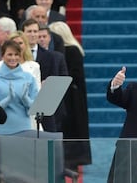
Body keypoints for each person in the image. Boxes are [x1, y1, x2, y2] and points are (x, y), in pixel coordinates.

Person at [49, 21, 92, 168]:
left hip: (71, 97)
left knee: (71, 128)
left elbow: (73, 75)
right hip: (67, 94)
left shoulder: (71, 50)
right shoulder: (70, 50)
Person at [0, 40, 38, 135]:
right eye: (9, 54)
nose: (13, 58)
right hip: (1, 129)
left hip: (24, 127)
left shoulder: (29, 77)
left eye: (16, 54)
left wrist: (25, 99)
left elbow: (35, 108)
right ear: (2, 55)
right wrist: (8, 99)